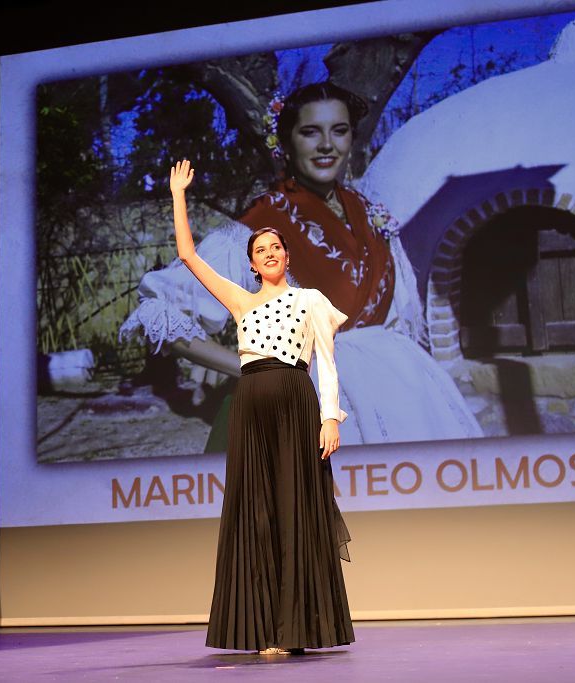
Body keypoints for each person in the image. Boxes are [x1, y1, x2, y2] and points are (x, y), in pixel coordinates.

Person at [120, 81, 482, 447]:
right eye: (310, 132)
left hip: (399, 390)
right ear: (287, 144)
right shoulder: (261, 225)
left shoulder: (367, 211)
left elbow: (398, 318)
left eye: (339, 131)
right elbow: (161, 307)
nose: (327, 144)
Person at [166, 157, 354, 654]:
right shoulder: (240, 302)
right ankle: (263, 629)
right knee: (258, 513)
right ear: (251, 264)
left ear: (286, 256)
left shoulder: (311, 300)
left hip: (295, 402)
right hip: (250, 404)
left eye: (275, 247)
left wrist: (330, 418)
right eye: (259, 249)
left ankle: (294, 631)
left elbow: (328, 366)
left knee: (294, 511)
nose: (268, 253)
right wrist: (178, 195)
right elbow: (187, 255)